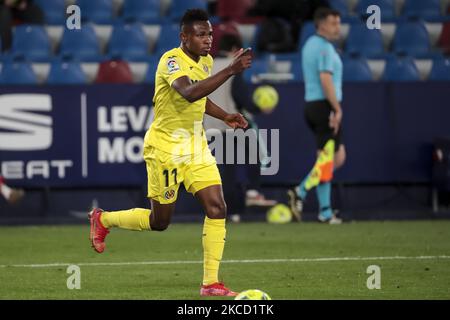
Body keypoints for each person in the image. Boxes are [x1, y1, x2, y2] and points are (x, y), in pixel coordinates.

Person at [88, 9, 252, 297]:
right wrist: (230, 71)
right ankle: (103, 219)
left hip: (196, 146)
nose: (207, 40)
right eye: (200, 35)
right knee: (160, 222)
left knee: (217, 207)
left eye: (210, 34)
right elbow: (188, 92)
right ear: (184, 37)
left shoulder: (207, 61)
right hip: (166, 148)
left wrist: (225, 115)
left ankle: (210, 283)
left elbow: (200, 99)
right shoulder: (171, 61)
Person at [204, 34, 276, 216]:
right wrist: (259, 108)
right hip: (233, 124)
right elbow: (240, 96)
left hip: (212, 126)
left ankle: (228, 212)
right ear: (236, 49)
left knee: (227, 171)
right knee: (257, 152)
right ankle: (252, 192)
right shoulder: (232, 67)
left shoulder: (206, 66)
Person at [288, 7, 345, 224]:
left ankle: (323, 209)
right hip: (324, 106)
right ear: (321, 24)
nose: (337, 27)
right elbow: (325, 79)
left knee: (333, 158)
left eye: (338, 23)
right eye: (333, 23)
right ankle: (303, 193)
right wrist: (336, 108)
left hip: (313, 105)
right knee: (328, 159)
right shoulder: (324, 49)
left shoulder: (310, 44)